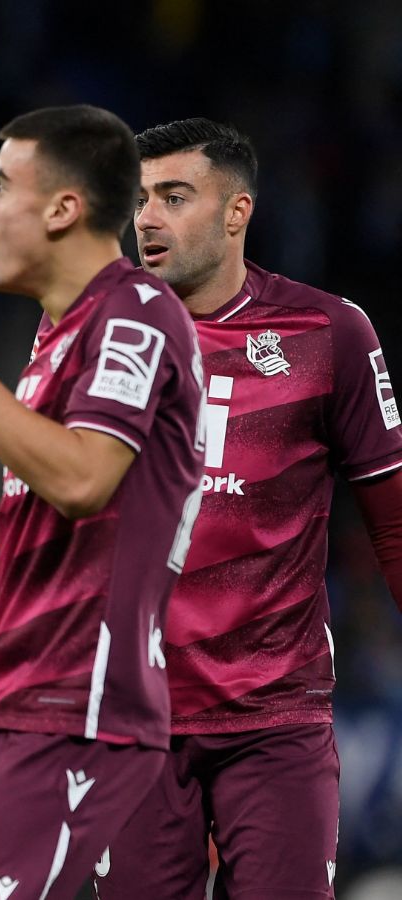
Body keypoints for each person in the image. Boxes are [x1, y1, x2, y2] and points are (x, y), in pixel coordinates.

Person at [0, 105, 203, 899]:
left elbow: (84, 481)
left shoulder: (137, 313)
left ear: (63, 209)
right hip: (17, 700)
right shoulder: (57, 338)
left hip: (75, 713)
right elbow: (61, 550)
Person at [86, 118, 402, 898]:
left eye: (174, 196)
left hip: (275, 720)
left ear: (237, 213)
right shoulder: (94, 338)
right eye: (139, 199)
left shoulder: (328, 333)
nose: (147, 218)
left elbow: (392, 520)